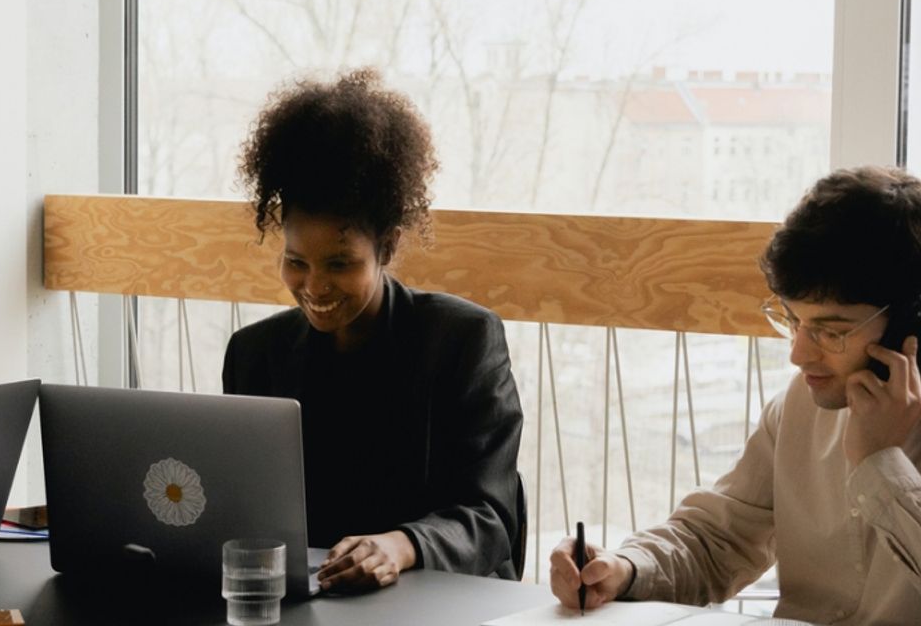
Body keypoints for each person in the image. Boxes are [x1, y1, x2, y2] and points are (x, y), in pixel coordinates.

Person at [549, 166, 921, 625]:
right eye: (793, 321)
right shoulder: (803, 404)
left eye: (831, 331)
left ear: (909, 324)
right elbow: (717, 542)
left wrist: (881, 464)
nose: (799, 354)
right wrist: (624, 568)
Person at [222, 69, 524, 592]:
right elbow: (246, 510)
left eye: (340, 263)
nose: (314, 286)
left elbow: (492, 515)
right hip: (315, 600)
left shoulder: (461, 340)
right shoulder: (255, 354)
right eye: (296, 261)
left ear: (386, 248)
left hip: (436, 600)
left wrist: (402, 545)